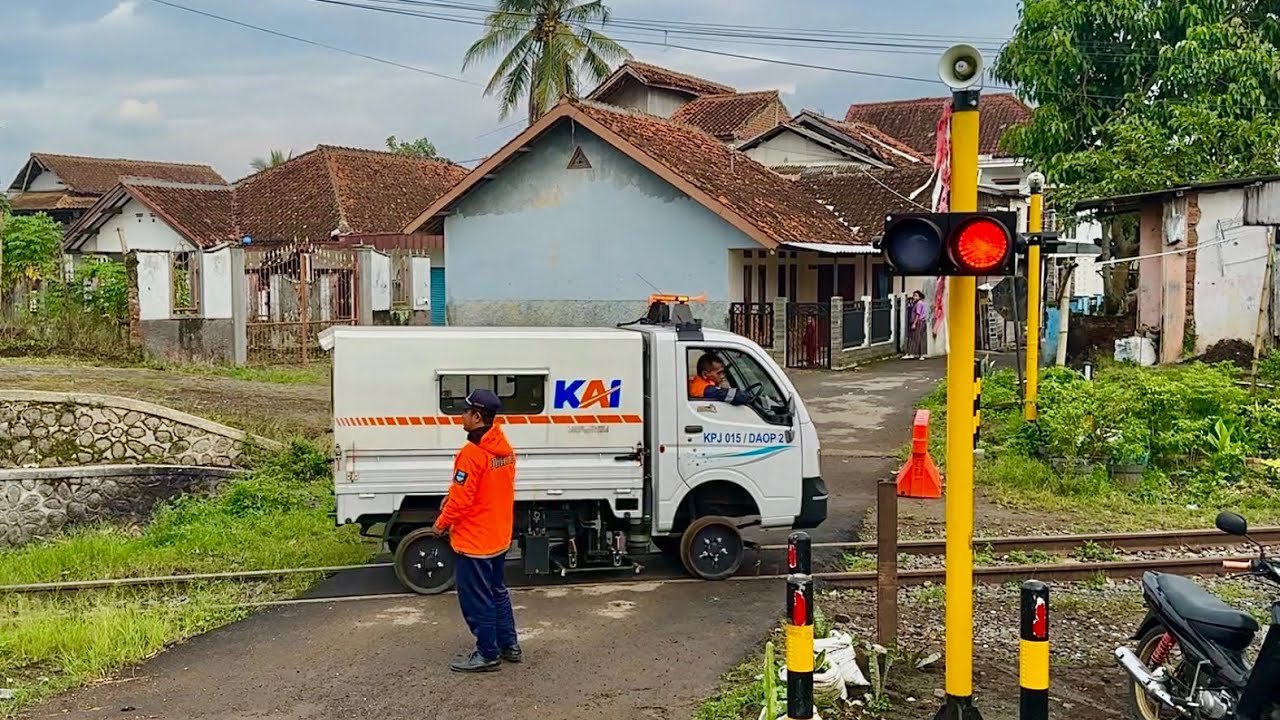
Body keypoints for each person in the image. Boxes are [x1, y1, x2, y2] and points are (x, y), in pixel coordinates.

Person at [429, 388, 520, 673]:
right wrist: (452, 495)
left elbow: (462, 500)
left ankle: (487, 653)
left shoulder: (471, 454)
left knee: (476, 598)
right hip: (498, 536)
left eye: (465, 411)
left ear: (477, 416)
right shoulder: (503, 447)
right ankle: (510, 646)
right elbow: (485, 488)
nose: (461, 415)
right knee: (497, 592)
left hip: (475, 541)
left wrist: (441, 524)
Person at [688, 352, 754, 405]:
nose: (723, 376)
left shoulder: (697, 383)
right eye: (719, 373)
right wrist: (748, 396)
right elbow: (739, 397)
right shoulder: (708, 391)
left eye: (723, 372)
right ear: (705, 374)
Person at [904, 290, 928, 360]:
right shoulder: (919, 303)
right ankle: (920, 354)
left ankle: (911, 353)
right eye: (914, 295)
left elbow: (918, 314)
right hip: (921, 322)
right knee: (920, 338)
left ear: (919, 296)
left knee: (914, 337)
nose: (914, 297)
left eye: (916, 295)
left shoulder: (918, 304)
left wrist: (914, 323)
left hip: (919, 322)